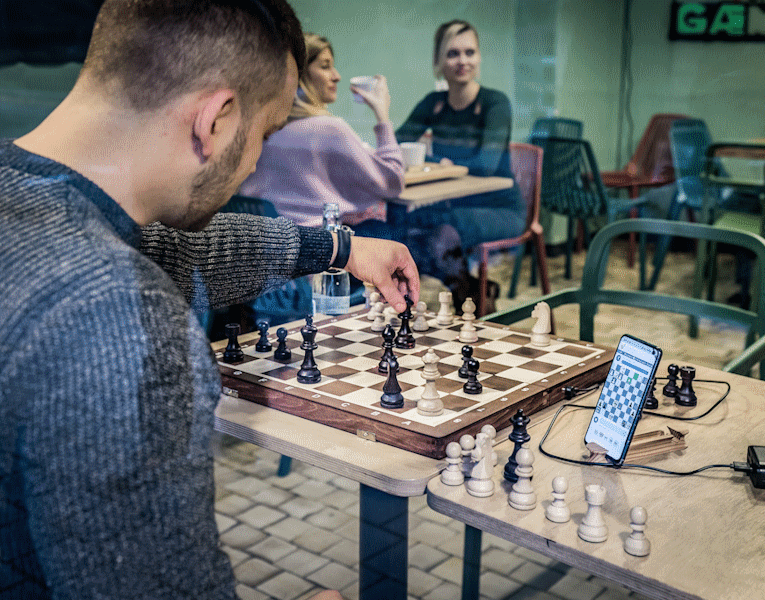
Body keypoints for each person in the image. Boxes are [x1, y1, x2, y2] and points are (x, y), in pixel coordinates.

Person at [0, 2, 417, 599]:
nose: (255, 160)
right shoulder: (116, 317)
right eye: (266, 136)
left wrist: (339, 247)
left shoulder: (31, 196)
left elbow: (179, 248)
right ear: (216, 119)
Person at [395, 19, 526, 285]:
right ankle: (469, 290)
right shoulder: (434, 103)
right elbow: (396, 144)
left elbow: (485, 165)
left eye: (469, 52)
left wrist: (438, 163)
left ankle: (467, 293)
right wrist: (435, 161)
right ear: (439, 61)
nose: (462, 61)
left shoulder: (495, 103)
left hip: (502, 210)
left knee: (442, 230)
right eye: (452, 53)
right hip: (455, 205)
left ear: (478, 58)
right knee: (402, 222)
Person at [238, 33, 404, 231]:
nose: (337, 76)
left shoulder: (261, 130)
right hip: (326, 248)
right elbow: (392, 182)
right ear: (299, 74)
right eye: (325, 66)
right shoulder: (330, 129)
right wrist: (382, 114)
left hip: (274, 247)